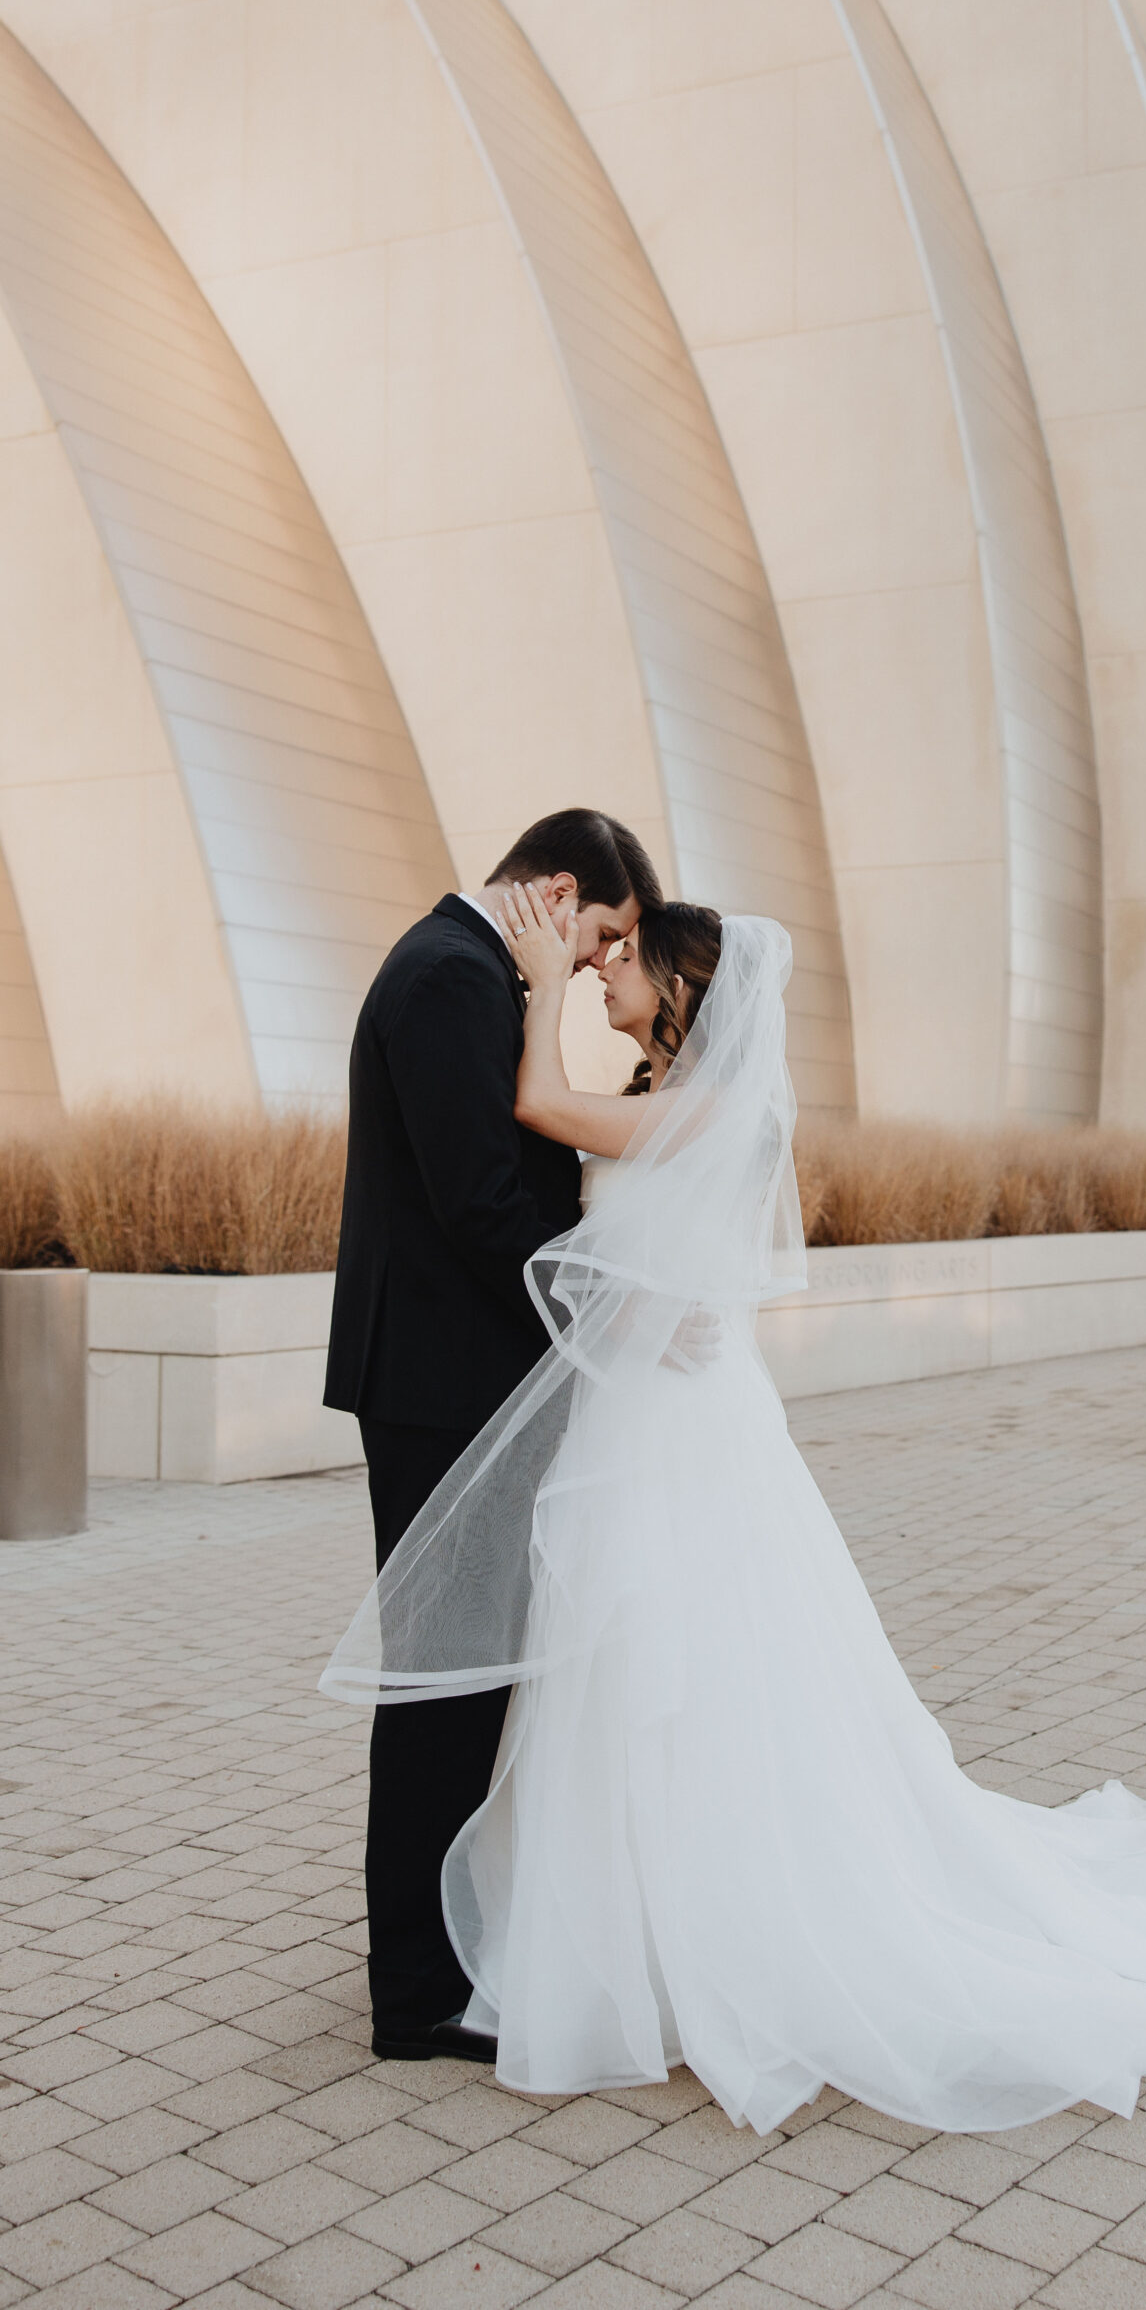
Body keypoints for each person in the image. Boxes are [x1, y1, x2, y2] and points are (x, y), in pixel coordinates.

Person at [323, 899, 1146, 2139]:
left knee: (676, 1673)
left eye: (623, 960)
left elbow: (541, 1112)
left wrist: (538, 984)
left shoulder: (699, 1108)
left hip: (670, 1435)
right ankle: (635, 1929)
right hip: (649, 1419)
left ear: (686, 992)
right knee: (639, 1675)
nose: (601, 974)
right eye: (594, 959)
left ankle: (693, 1937)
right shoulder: (687, 1101)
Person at [325, 810, 661, 2061]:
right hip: (437, 1382)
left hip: (449, 1374)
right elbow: (479, 1204)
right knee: (441, 1682)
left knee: (468, 1675)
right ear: (558, 888)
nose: (593, 964)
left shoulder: (469, 974)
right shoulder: (449, 977)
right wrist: (603, 1306)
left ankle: (435, 1953)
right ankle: (413, 1992)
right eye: (603, 935)